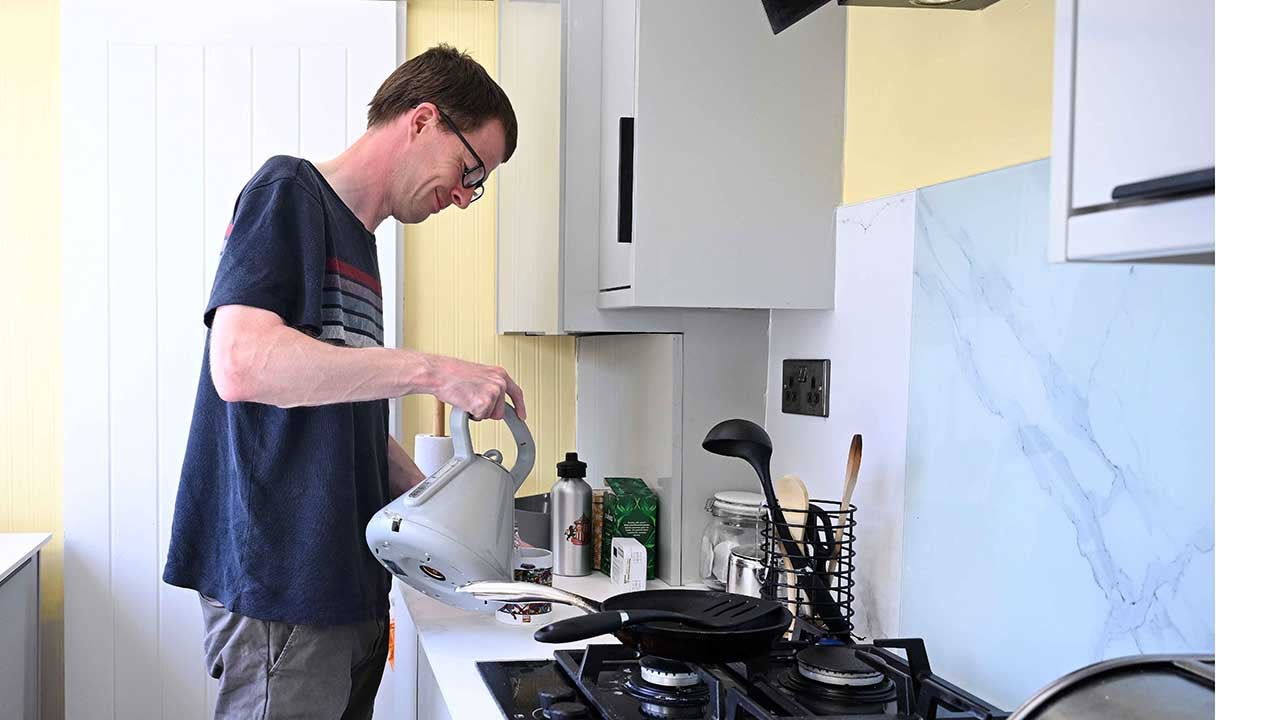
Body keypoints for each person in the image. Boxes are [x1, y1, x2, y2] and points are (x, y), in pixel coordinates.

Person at [162, 44, 524, 720]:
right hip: (283, 588)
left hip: (342, 590)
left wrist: (463, 516)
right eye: (470, 169)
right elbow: (240, 364)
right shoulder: (289, 193)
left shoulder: (360, 242)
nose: (465, 197)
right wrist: (433, 371)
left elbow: (342, 424)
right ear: (422, 121)